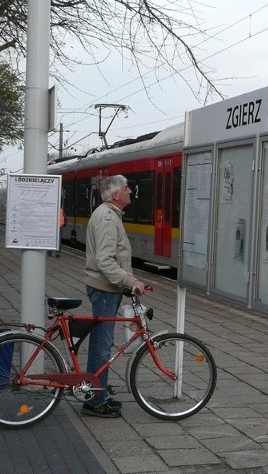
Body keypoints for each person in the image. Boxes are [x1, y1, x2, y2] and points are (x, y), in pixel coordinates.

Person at [82, 175, 146, 418]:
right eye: (128, 188)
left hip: (106, 288)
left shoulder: (107, 214)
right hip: (105, 289)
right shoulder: (108, 218)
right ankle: (95, 400)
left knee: (101, 343)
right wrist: (130, 281)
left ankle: (96, 393)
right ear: (116, 194)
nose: (131, 191)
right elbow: (105, 261)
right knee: (102, 345)